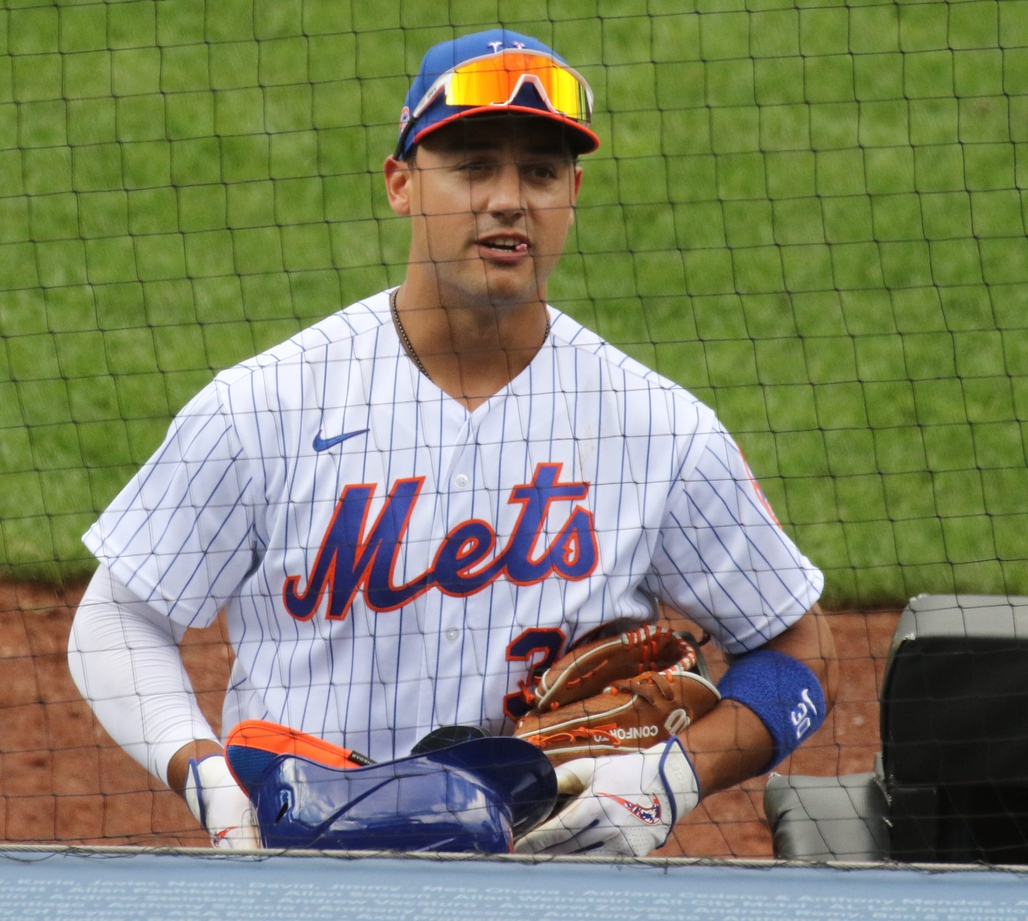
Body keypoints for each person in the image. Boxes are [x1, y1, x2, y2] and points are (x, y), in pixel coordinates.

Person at [68, 28, 838, 856]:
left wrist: (668, 782)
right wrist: (206, 774)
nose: (509, 199)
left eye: (540, 172)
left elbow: (798, 645)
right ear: (402, 184)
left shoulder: (657, 429)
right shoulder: (265, 405)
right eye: (473, 166)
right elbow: (115, 621)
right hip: (305, 874)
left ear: (571, 192)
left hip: (552, 880)